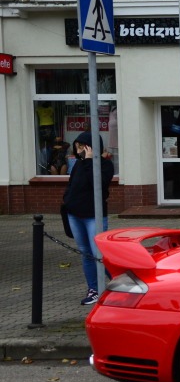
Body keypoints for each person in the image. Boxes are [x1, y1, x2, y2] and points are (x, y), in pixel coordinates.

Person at [62, 131, 114, 305]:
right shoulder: (78, 164)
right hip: (75, 214)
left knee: (97, 253)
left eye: (81, 147)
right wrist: (67, 199)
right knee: (85, 253)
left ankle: (123, 282)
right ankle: (94, 289)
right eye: (77, 147)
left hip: (93, 216)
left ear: (91, 147)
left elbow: (98, 183)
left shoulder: (105, 165)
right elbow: (72, 185)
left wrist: (90, 161)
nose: (78, 151)